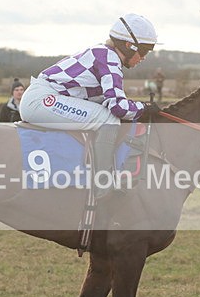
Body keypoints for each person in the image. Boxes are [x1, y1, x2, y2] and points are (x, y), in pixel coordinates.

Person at [20, 13, 161, 198]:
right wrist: (144, 108)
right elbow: (118, 107)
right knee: (107, 118)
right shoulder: (109, 58)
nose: (143, 58)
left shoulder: (104, 54)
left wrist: (139, 107)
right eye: (143, 51)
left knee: (104, 113)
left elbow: (111, 101)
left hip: (43, 97)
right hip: (41, 99)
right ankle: (103, 184)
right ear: (128, 46)